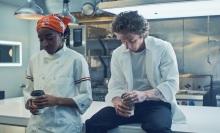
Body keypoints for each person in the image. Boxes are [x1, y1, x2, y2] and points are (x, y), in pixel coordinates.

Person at [85, 11, 186, 133]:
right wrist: (117, 101)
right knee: (92, 124)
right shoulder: (118, 53)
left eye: (131, 41)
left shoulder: (163, 48)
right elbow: (116, 85)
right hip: (128, 105)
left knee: (157, 127)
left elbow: (172, 84)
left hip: (156, 104)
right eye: (123, 41)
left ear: (142, 34)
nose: (127, 46)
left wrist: (144, 95)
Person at [23, 14, 92, 133]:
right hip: (37, 126)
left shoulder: (76, 59)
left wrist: (57, 100)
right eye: (41, 39)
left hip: (65, 126)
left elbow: (86, 97)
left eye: (50, 38)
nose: (45, 44)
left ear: (62, 35)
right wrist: (30, 103)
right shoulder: (34, 59)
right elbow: (28, 90)